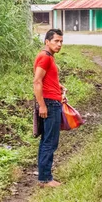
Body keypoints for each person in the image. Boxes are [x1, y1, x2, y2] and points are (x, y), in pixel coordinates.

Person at [33, 29, 66, 188]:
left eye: (61, 41)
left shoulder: (47, 57)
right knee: (50, 142)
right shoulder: (45, 58)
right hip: (50, 103)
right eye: (56, 41)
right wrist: (42, 105)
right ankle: (45, 179)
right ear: (47, 41)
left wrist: (57, 85)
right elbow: (37, 82)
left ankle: (44, 176)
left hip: (52, 100)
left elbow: (45, 79)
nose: (59, 44)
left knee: (47, 140)